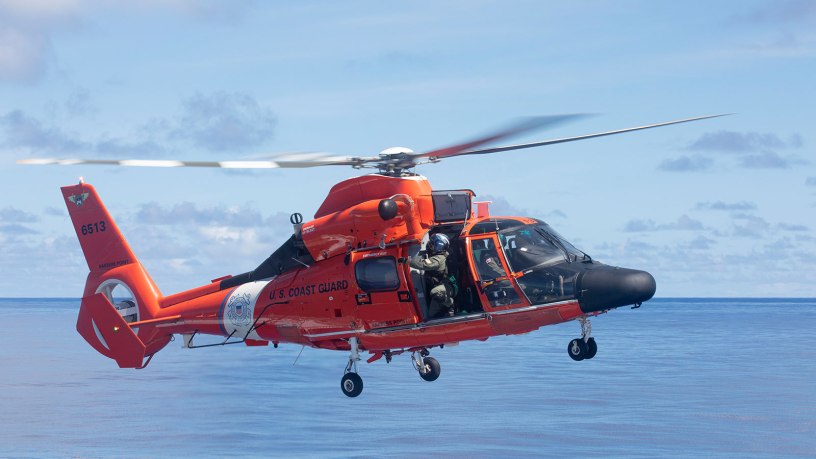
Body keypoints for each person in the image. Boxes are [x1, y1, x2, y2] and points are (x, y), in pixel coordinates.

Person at [410, 233, 454, 318]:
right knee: (431, 315)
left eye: (432, 244)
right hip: (441, 286)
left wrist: (407, 261)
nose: (430, 246)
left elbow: (424, 264)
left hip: (447, 286)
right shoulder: (438, 256)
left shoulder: (439, 259)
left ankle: (450, 304)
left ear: (438, 246)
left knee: (435, 292)